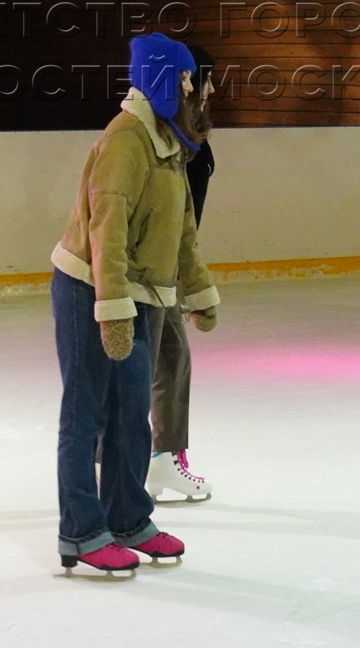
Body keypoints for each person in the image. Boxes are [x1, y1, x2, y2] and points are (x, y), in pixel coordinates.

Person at [51, 32, 221, 574]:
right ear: (165, 81)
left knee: (131, 410)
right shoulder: (126, 141)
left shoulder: (169, 141)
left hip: (137, 293)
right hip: (91, 287)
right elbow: (108, 233)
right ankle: (80, 530)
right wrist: (113, 308)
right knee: (88, 412)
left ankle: (127, 517)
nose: (199, 96)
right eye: (190, 84)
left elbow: (183, 229)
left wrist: (198, 289)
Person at [146, 42, 217, 503]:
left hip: (165, 267)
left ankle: (155, 459)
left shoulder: (185, 138)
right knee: (160, 365)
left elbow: (184, 220)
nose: (209, 88)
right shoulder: (159, 140)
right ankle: (156, 459)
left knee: (163, 363)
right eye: (200, 77)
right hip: (150, 272)